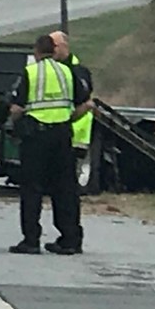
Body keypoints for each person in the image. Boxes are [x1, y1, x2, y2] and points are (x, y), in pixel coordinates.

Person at [6, 34, 92, 255]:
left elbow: (16, 107)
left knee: (31, 188)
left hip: (36, 136)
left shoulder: (30, 72)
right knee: (65, 188)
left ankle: (31, 240)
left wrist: (15, 124)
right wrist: (68, 118)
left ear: (36, 52)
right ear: (54, 51)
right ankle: (70, 240)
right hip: (62, 136)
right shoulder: (67, 72)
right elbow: (86, 104)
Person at [50, 30, 95, 252]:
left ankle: (71, 237)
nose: (52, 50)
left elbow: (83, 102)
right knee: (58, 191)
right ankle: (65, 236)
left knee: (66, 191)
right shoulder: (53, 70)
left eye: (54, 45)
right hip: (58, 136)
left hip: (73, 137)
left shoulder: (77, 71)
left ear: (64, 46)